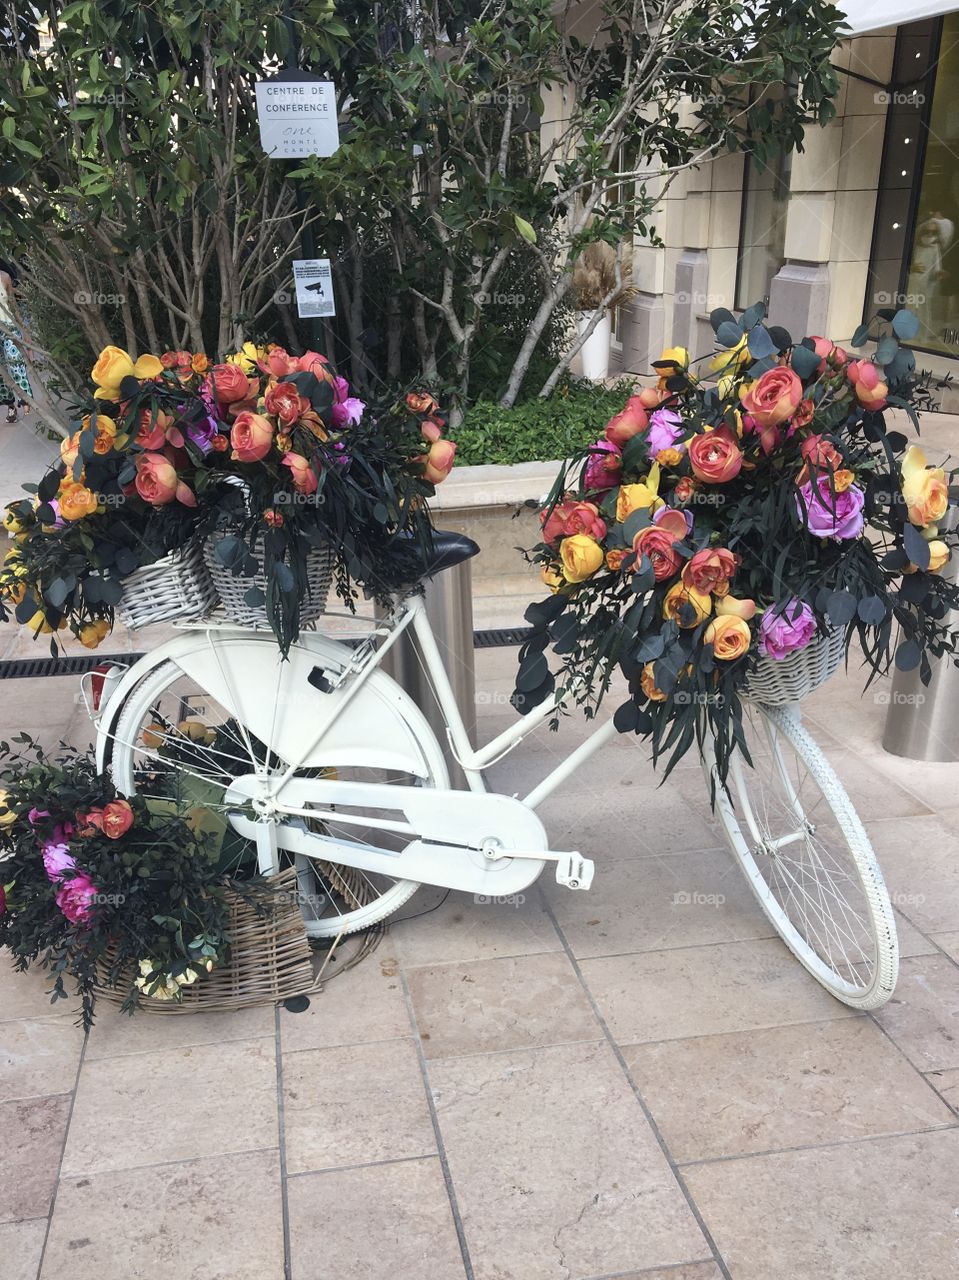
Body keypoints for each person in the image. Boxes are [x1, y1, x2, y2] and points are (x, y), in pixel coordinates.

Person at [0, 258, 32, 423]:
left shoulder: (4, 276)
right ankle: (10, 405)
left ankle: (25, 399)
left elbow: (14, 306)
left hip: (9, 326)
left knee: (15, 361)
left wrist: (25, 333)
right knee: (1, 371)